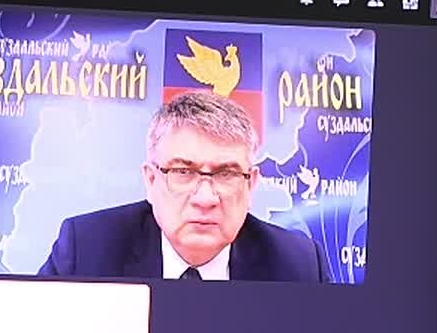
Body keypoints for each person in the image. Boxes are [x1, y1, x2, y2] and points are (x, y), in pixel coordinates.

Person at [38, 91, 333, 282]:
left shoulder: (299, 266)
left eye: (226, 173)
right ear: (151, 180)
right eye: (183, 172)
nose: (205, 198)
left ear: (251, 185)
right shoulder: (86, 251)